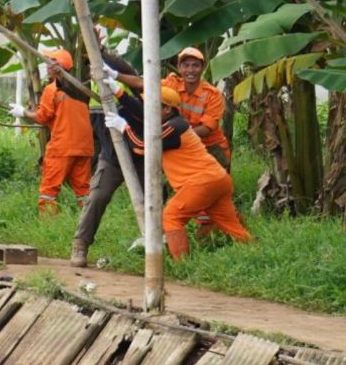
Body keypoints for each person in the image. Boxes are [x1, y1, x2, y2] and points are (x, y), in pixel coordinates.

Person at [105, 86, 252, 259]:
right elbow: (140, 117)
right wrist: (119, 92)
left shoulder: (173, 127)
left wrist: (124, 127)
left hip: (201, 182)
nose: (146, 108)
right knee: (233, 227)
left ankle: (182, 264)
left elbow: (142, 146)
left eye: (151, 104)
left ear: (167, 109)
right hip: (218, 179)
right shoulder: (172, 123)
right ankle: (255, 252)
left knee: (171, 217)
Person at [70, 46, 141, 267]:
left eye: (98, 68)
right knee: (97, 197)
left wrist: (101, 51)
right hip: (112, 156)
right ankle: (80, 244)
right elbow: (72, 89)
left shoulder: (129, 87)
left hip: (140, 155)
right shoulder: (92, 92)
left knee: (152, 200)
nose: (94, 73)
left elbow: (126, 71)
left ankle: (158, 245)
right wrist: (59, 75)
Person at [111, 47, 230, 169]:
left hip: (210, 146)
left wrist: (173, 135)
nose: (190, 70)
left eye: (195, 65)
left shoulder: (212, 94)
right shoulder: (172, 83)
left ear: (202, 68)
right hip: (181, 143)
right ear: (179, 68)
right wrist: (115, 75)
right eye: (186, 65)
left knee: (215, 183)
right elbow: (142, 83)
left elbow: (206, 129)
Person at [9, 49, 93, 216]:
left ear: (59, 67)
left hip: (62, 146)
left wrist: (23, 112)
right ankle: (87, 221)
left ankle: (48, 224)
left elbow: (42, 117)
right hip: (84, 146)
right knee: (83, 190)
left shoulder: (52, 88)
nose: (47, 65)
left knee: (49, 188)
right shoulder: (80, 88)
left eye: (50, 61)